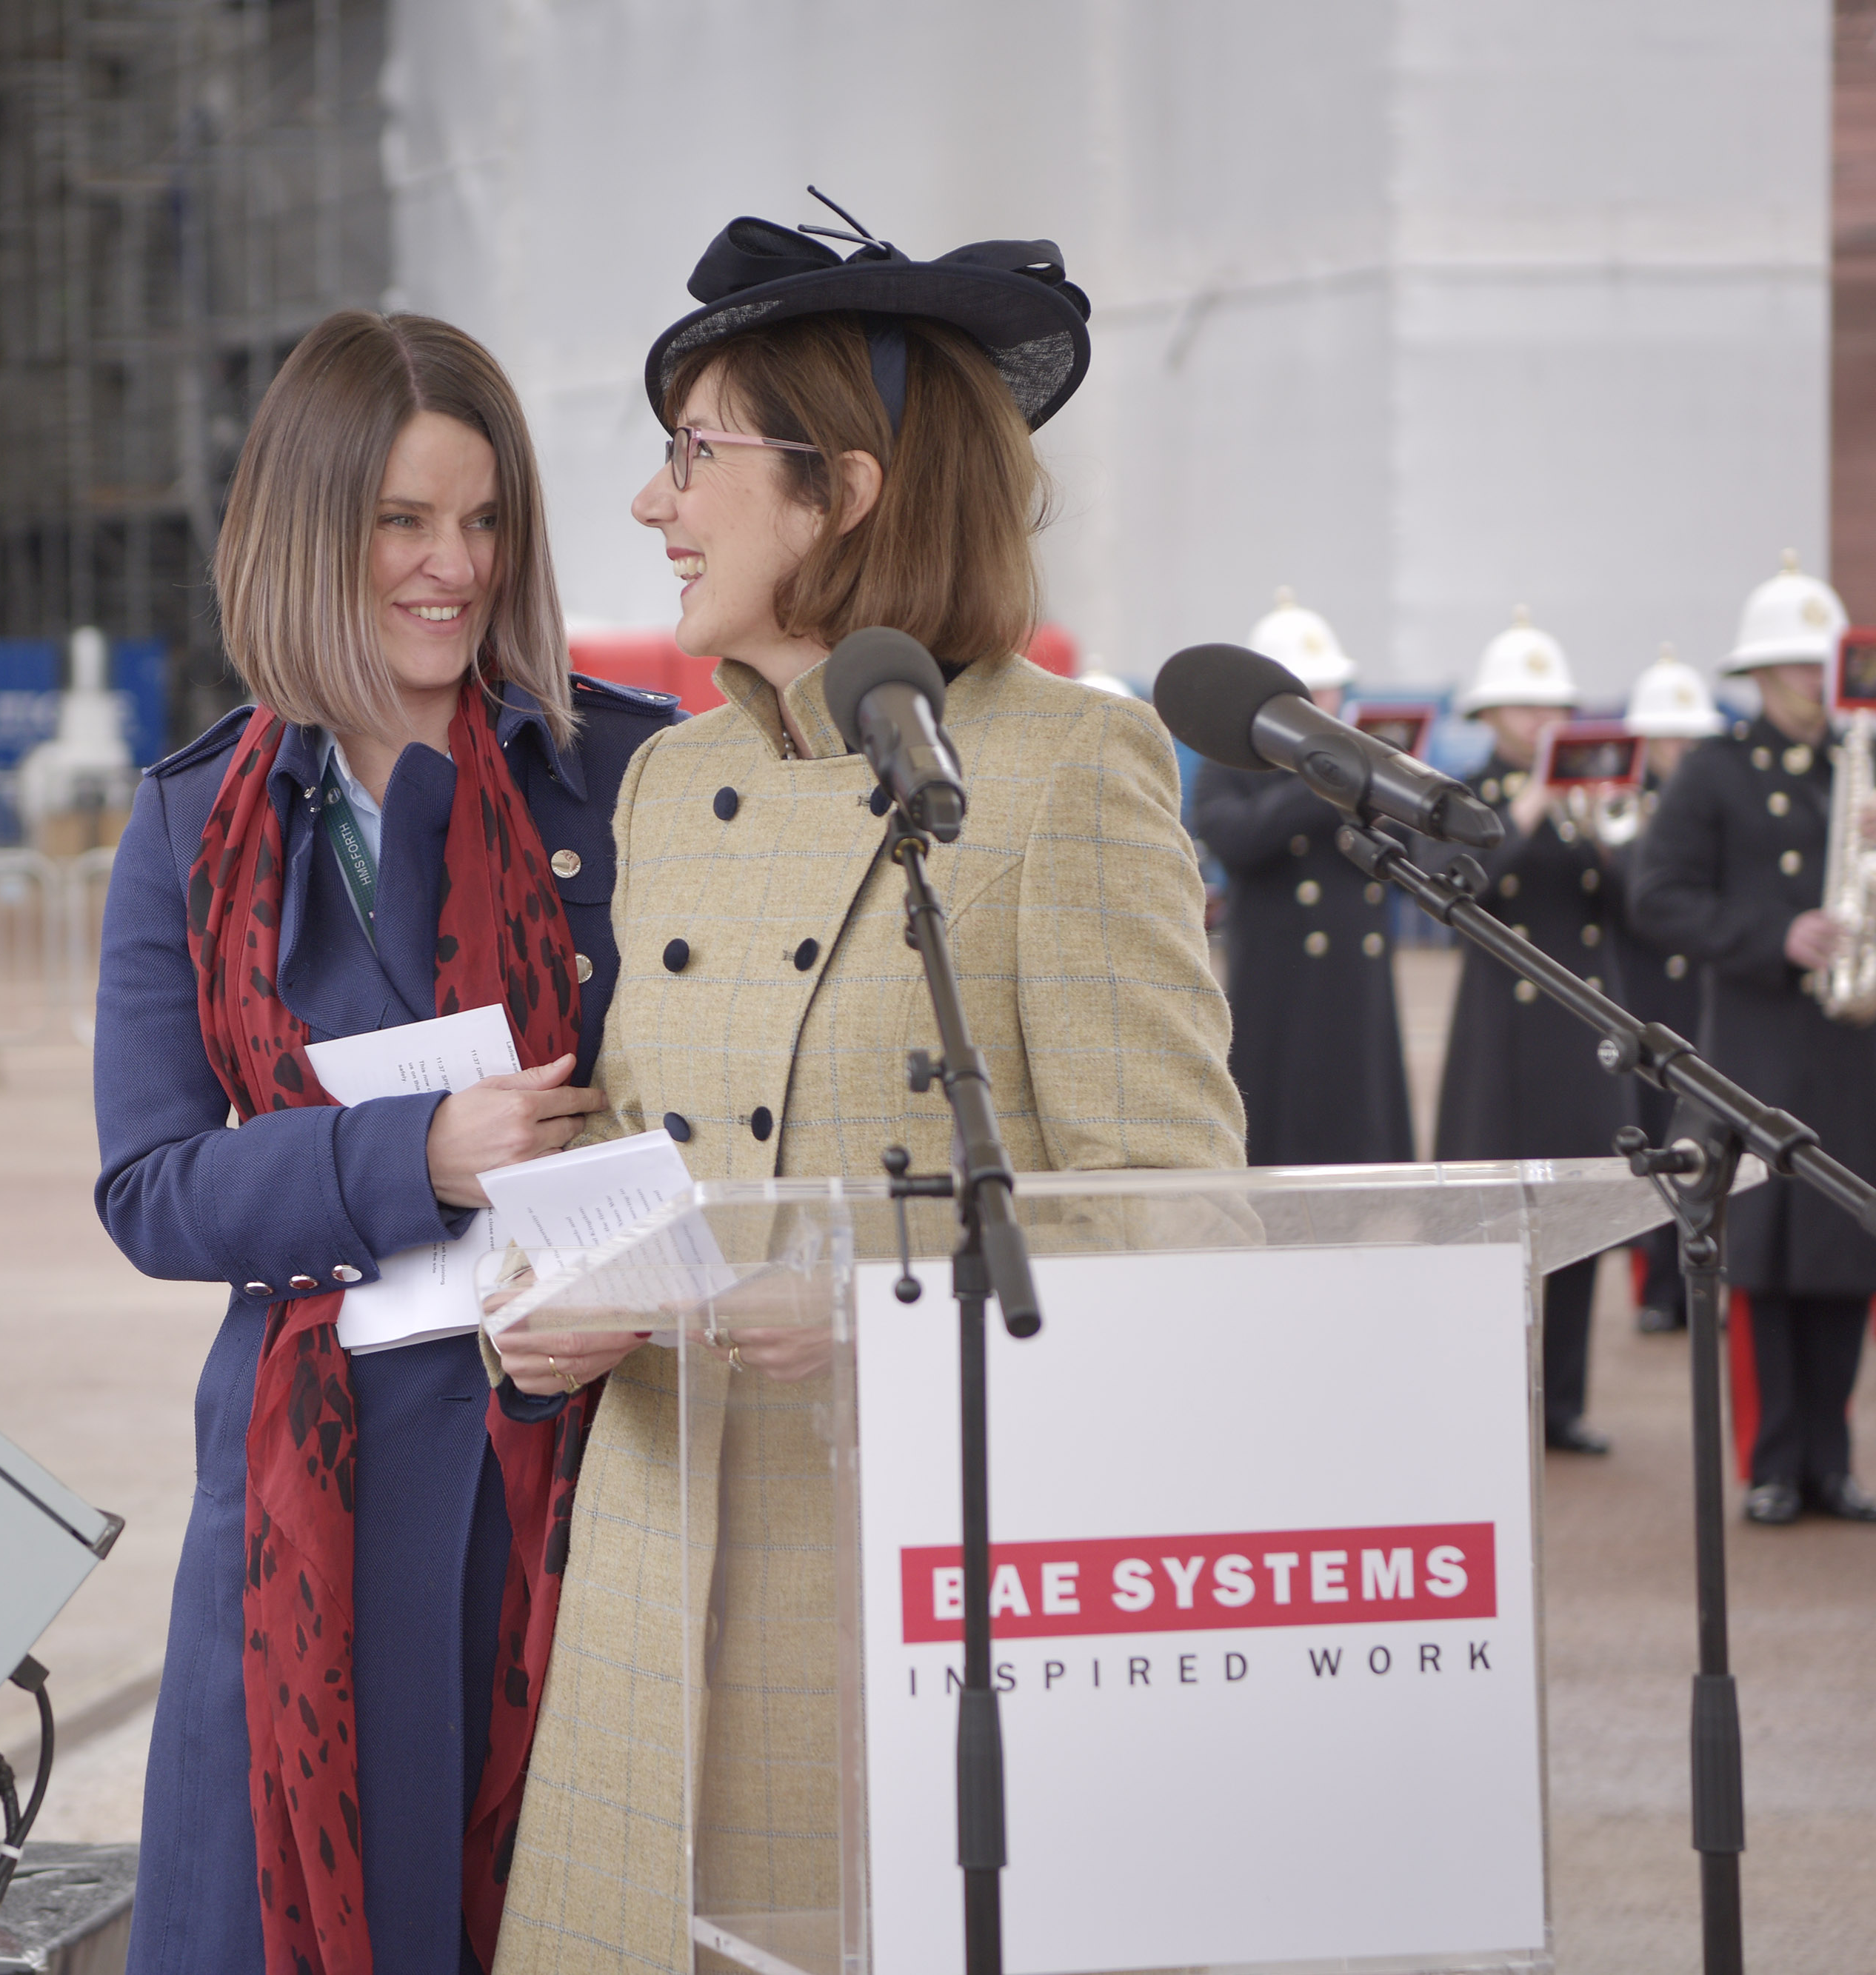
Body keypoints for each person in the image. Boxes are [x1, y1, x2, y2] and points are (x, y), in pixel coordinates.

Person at [485, 204, 1245, 1975]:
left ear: (847, 486)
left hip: (905, 1601)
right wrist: (528, 1291)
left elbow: (1171, 1217)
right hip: (648, 1591)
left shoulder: (1071, 772)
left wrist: (868, 1308)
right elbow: (636, 1136)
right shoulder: (665, 787)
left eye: (691, 454)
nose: (649, 505)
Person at [91, 310, 685, 1975]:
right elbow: (148, 1186)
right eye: (402, 523)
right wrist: (409, 1153)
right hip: (302, 1503)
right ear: (307, 529)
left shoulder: (625, 780)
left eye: (483, 521)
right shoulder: (185, 823)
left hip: (572, 1475)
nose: (452, 566)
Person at [1629, 554, 1876, 1525]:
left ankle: (1832, 1457)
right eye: (1796, 672)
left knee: (1847, 1257)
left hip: (1855, 1049)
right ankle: (1773, 1461)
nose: (1815, 692)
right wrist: (1773, 934)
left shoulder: (1859, 767)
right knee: (1768, 1264)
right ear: (1762, 678)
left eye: (1825, 671)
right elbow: (1659, 896)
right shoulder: (1717, 773)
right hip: (1764, 1052)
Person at [1432, 606, 1632, 1455]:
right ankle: (1499, 1397)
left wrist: (1618, 833)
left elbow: (1628, 914)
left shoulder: (1587, 797)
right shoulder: (1464, 793)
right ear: (1487, 718)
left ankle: (1564, 1404)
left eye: (1551, 707)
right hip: (1505, 1043)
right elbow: (1456, 891)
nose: (1542, 722)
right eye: (1524, 708)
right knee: (1503, 1230)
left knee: (1579, 1218)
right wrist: (1530, 808)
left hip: (1577, 1037)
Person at [1190, 588, 1414, 1164]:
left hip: (1357, 990)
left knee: (1360, 1127)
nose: (1327, 701)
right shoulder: (1233, 763)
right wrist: (1317, 786)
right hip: (1281, 988)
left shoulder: (1363, 758)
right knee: (1281, 1133)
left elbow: (1407, 853)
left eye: (1333, 688)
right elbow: (1230, 836)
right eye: (1313, 690)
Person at [1613, 648, 1724, 1332]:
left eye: (1687, 736)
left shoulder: (1711, 808)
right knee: (1655, 1137)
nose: (1678, 748)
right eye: (1666, 736)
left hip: (1703, 991)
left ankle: (1704, 1276)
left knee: (1707, 1136)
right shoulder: (1626, 806)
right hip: (1641, 991)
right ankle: (1658, 1283)